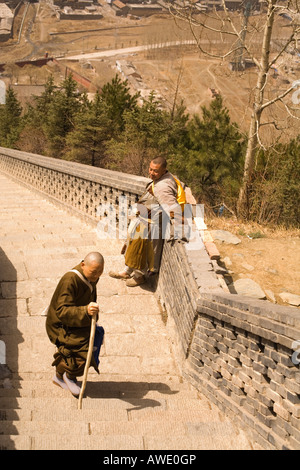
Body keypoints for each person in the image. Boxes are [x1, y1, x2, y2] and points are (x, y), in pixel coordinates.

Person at [109, 157, 186, 287]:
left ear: (163, 170)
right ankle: (127, 271)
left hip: (151, 225)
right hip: (143, 220)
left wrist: (179, 229)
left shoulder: (163, 186)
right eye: (150, 169)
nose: (151, 173)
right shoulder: (162, 179)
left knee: (143, 252)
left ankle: (139, 277)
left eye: (155, 171)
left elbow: (173, 208)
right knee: (133, 247)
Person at [46, 252, 104, 397]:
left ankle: (59, 377)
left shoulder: (90, 277)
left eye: (100, 272)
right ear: (83, 265)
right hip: (62, 325)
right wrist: (85, 310)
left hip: (78, 319)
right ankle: (69, 376)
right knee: (81, 353)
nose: (97, 276)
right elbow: (62, 310)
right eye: (94, 272)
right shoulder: (70, 280)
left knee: (93, 342)